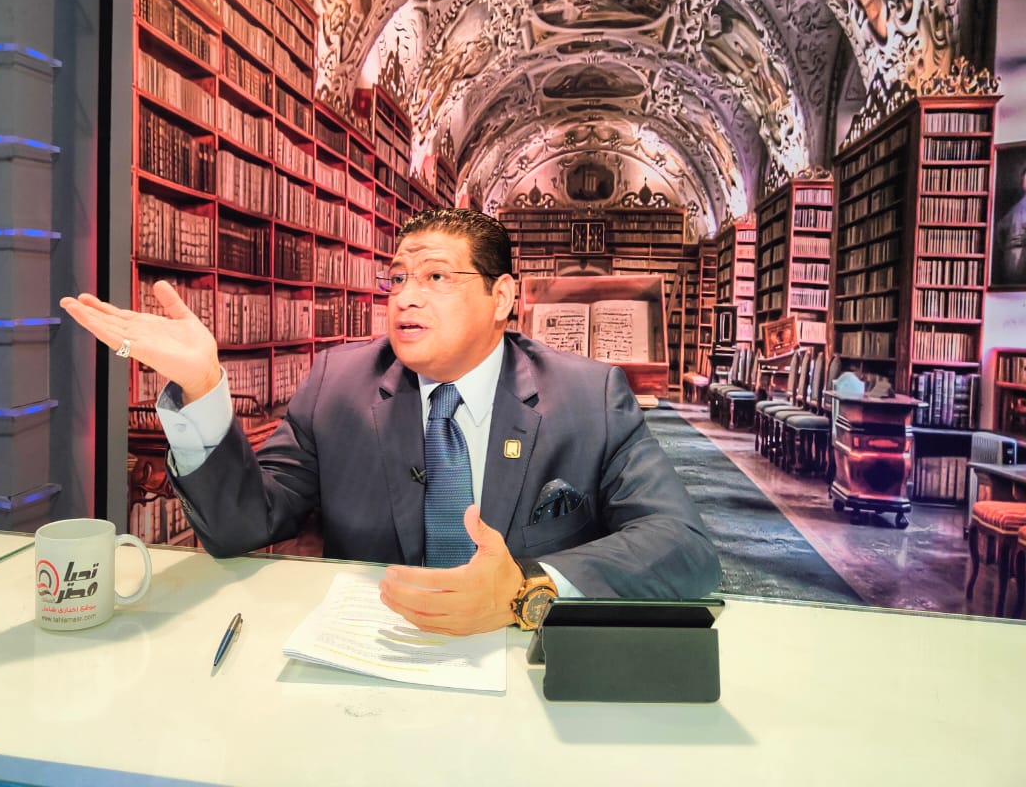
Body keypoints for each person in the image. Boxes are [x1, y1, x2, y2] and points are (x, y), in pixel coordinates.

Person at [61, 208, 721, 635]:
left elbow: (683, 547)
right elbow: (241, 526)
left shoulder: (588, 396)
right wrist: (204, 386)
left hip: (526, 660)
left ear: (502, 297)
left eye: (436, 277)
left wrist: (526, 587)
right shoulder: (337, 384)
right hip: (371, 662)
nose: (405, 296)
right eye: (398, 278)